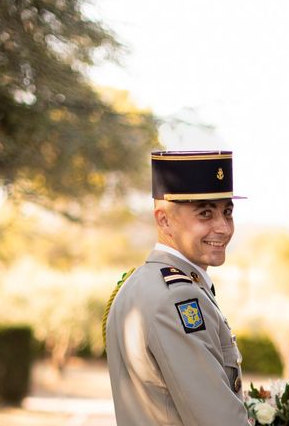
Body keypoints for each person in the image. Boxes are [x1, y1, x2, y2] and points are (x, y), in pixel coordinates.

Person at [103, 150, 249, 426]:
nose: (223, 228)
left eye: (227, 212)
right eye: (205, 214)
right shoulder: (179, 296)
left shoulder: (139, 282)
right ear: (164, 220)